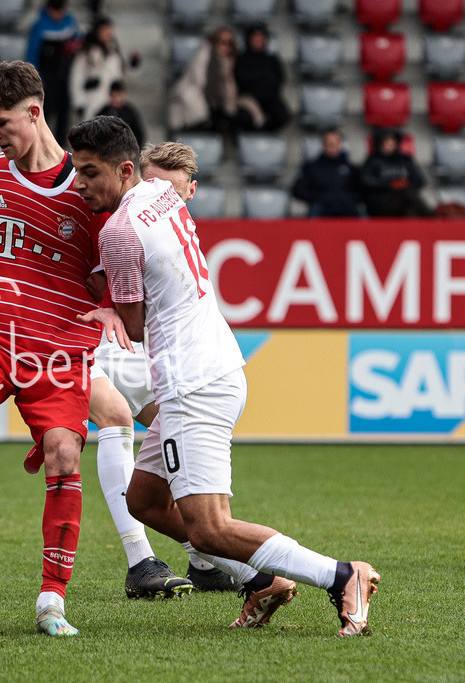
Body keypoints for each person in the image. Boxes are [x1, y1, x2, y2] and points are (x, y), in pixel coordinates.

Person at [71, 115, 381, 637]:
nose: (80, 186)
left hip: (193, 383)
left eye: (89, 173)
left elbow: (135, 326)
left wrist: (105, 310)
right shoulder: (159, 192)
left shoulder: (121, 232)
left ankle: (342, 575)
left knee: (210, 528)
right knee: (143, 500)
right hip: (211, 365)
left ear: (125, 169)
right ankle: (261, 582)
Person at [0, 60, 183, 637]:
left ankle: (51, 601)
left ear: (35, 111)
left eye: (1, 122)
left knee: (63, 455)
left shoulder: (91, 188)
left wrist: (113, 302)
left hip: (59, 345)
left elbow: (113, 271)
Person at [89, 139, 240, 594]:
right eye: (152, 184)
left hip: (143, 343)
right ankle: (142, 561)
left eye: (172, 191)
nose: (160, 196)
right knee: (115, 419)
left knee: (169, 435)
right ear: (134, 175)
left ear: (188, 193)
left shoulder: (161, 221)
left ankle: (203, 556)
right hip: (86, 335)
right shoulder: (107, 205)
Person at [166, 27, 247, 137]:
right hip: (193, 103)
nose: (223, 46)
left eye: (228, 43)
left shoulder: (231, 62)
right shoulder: (204, 55)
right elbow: (200, 81)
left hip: (215, 106)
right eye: (220, 41)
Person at [26, 0, 83, 144]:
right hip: (47, 78)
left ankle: (59, 146)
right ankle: (42, 144)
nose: (59, 14)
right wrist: (38, 80)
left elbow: (79, 39)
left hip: (66, 76)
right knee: (46, 113)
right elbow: (32, 55)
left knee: (64, 111)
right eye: (56, 10)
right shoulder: (39, 26)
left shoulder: (69, 21)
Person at [68, 16, 141, 123]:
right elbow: (76, 78)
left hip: (113, 101)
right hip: (93, 101)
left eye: (109, 30)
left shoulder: (115, 52)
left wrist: (134, 63)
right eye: (105, 30)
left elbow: (125, 73)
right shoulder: (86, 53)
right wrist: (79, 103)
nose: (108, 33)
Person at [360, 129, 434, 217]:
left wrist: (404, 183)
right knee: (405, 191)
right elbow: (365, 181)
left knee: (410, 211)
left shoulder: (405, 160)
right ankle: (431, 216)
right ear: (379, 144)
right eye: (386, 142)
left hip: (404, 201)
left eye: (392, 142)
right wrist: (391, 184)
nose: (389, 145)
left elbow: (420, 181)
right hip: (381, 202)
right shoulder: (372, 161)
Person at [291, 129, 365, 218]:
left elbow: (362, 190)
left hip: (347, 206)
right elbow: (298, 190)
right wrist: (319, 198)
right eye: (330, 143)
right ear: (323, 145)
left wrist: (347, 198)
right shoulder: (311, 167)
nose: (333, 146)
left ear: (341, 144)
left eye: (336, 143)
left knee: (362, 217)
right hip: (321, 206)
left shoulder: (351, 168)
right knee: (315, 210)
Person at [233, 23, 290, 132]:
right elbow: (239, 80)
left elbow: (279, 79)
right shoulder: (240, 59)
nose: (258, 41)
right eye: (255, 38)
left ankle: (265, 136)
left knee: (282, 115)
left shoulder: (272, 60)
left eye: (261, 38)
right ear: (248, 39)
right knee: (242, 116)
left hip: (269, 99)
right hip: (248, 99)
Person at [96, 81, 146, 148]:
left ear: (123, 95)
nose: (116, 99)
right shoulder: (103, 112)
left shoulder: (130, 113)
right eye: (113, 95)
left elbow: (139, 134)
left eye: (118, 95)